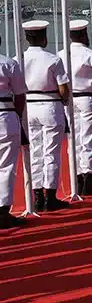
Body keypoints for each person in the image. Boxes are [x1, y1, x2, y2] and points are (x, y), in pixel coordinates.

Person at [22, 19, 70, 212]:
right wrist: (65, 100)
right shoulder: (53, 59)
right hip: (50, 104)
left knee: (35, 151)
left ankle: (37, 196)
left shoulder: (20, 58)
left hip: (29, 107)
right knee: (51, 152)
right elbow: (63, 89)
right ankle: (50, 195)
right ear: (43, 37)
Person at [60, 19, 92, 195]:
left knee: (73, 139)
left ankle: (77, 178)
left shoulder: (61, 54)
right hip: (88, 98)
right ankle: (87, 178)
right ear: (83, 34)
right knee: (88, 139)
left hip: (70, 100)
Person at [0, 43, 27, 229]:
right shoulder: (9, 64)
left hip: (6, 113)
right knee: (6, 166)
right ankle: (2, 212)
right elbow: (19, 95)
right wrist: (16, 115)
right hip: (5, 115)